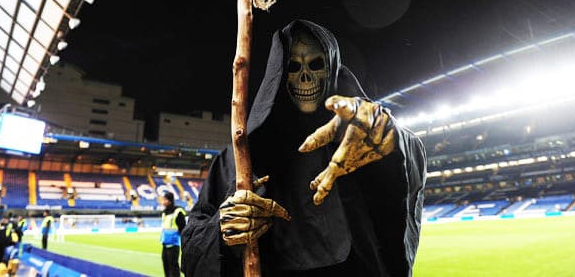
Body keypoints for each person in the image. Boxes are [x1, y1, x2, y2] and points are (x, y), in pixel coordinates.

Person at [181, 20, 427, 276]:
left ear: (332, 68)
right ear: (278, 73)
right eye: (293, 67)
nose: (305, 77)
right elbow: (191, 250)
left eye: (316, 64)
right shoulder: (238, 159)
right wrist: (222, 231)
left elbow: (403, 199)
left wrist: (389, 139)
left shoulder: (366, 141)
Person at [161, 191, 186, 277]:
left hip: (174, 243)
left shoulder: (178, 211)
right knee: (166, 264)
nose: (162, 201)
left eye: (164, 199)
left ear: (169, 200)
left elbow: (183, 228)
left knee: (173, 266)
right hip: (165, 243)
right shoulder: (164, 212)